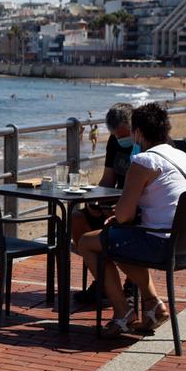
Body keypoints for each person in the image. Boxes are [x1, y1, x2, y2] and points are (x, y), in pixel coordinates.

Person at [77, 103, 186, 336]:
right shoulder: (183, 157)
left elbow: (124, 215)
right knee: (117, 238)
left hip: (162, 245)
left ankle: (122, 312)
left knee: (87, 242)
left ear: (139, 133)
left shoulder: (144, 161)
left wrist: (116, 215)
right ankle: (152, 304)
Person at [70, 103, 134, 302]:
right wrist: (95, 202)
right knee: (76, 218)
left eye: (125, 135)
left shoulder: (146, 145)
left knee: (125, 223)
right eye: (117, 135)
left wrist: (120, 208)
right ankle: (105, 280)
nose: (121, 139)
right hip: (114, 203)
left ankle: (132, 284)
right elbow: (108, 179)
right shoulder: (114, 142)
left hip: (135, 209)